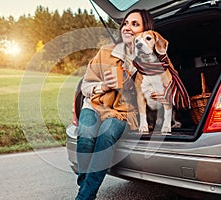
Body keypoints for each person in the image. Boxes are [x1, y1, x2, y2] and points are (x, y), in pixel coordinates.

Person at [75, 9, 155, 200]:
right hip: (95, 105)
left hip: (123, 112)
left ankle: (84, 196)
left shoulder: (149, 61)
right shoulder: (105, 52)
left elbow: (150, 98)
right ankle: (85, 188)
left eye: (135, 24)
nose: (127, 28)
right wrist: (104, 85)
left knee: (107, 134)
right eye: (126, 23)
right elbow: (85, 86)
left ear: (146, 31)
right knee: (85, 136)